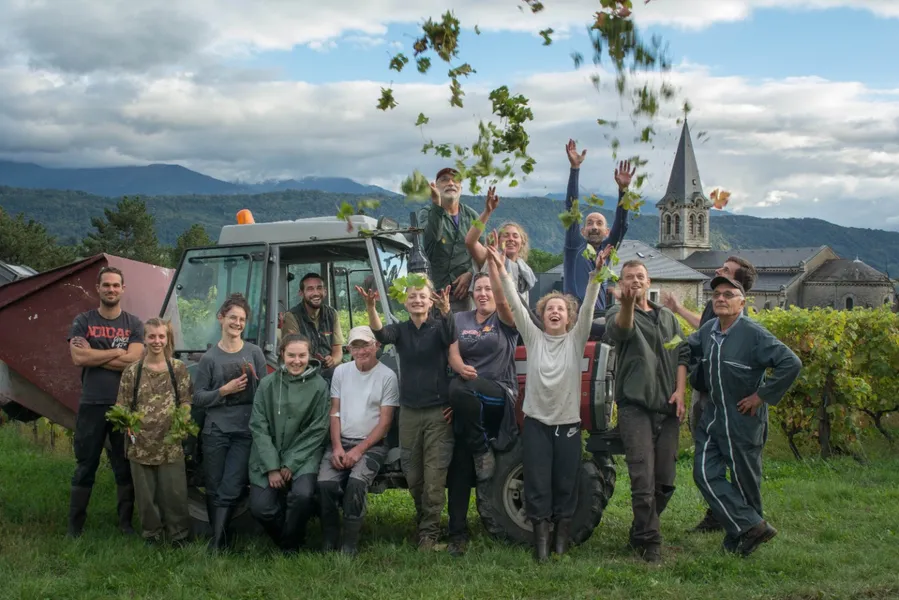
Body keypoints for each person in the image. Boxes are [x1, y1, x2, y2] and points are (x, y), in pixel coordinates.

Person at [487, 243, 606, 562]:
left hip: (567, 425)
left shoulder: (576, 340)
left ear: (569, 318)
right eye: (549, 308)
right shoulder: (534, 337)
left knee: (566, 482)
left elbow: (591, 309)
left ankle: (561, 539)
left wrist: (595, 276)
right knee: (538, 482)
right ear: (542, 315)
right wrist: (500, 269)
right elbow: (514, 303)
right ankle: (541, 543)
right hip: (537, 424)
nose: (555, 311)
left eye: (561, 309)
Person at [688, 275, 801, 556]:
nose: (720, 299)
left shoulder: (754, 334)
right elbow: (686, 348)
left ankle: (740, 536)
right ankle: (753, 526)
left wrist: (761, 396)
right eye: (716, 294)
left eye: (728, 294)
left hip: (743, 420)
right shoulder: (708, 330)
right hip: (713, 417)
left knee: (744, 482)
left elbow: (791, 363)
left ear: (742, 302)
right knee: (704, 473)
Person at [357, 278, 456, 551]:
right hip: (410, 412)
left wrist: (446, 310)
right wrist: (370, 307)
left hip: (438, 412)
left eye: (422, 296)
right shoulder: (401, 330)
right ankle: (423, 522)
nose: (417, 300)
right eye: (412, 296)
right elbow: (381, 335)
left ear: (431, 300)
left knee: (435, 477)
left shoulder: (438, 327)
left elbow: (451, 337)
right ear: (405, 301)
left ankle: (429, 535)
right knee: (413, 475)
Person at [662, 255, 757, 532]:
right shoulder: (715, 308)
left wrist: (759, 396)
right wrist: (679, 309)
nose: (718, 270)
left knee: (719, 458)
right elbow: (702, 331)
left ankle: (739, 519)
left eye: (726, 271)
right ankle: (726, 515)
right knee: (711, 457)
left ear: (738, 290)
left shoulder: (742, 325)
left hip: (720, 398)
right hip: (704, 391)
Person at [604, 260, 689, 563]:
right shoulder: (617, 312)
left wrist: (680, 390)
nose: (636, 280)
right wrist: (626, 305)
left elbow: (681, 353)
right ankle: (649, 542)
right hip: (634, 407)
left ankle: (640, 529)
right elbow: (621, 333)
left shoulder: (667, 317)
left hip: (667, 408)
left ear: (649, 280)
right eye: (629, 277)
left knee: (664, 480)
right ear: (622, 283)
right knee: (642, 478)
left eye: (640, 276)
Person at [445, 271, 520, 556]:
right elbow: (452, 353)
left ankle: (480, 448)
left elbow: (503, 302)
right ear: (471, 293)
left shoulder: (505, 320)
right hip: (468, 403)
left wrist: (493, 265)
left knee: (460, 389)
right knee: (459, 465)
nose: (483, 293)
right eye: (479, 289)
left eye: (489, 289)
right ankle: (457, 533)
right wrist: (460, 368)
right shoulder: (459, 319)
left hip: (498, 393)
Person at [67, 266, 145, 538]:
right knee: (85, 464)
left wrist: (96, 353)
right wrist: (115, 352)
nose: (111, 289)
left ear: (123, 289)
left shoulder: (133, 324)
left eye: (116, 285)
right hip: (91, 404)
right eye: (106, 285)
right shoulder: (83, 321)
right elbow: (79, 357)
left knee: (124, 465)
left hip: (123, 406)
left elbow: (134, 359)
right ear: (97, 288)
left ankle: (125, 525)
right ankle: (74, 527)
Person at [192, 293, 267, 551]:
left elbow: (263, 393)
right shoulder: (209, 358)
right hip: (215, 431)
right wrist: (223, 391)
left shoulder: (254, 353)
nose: (237, 323)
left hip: (244, 431)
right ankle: (220, 539)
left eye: (242, 319)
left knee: (232, 483)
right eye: (233, 317)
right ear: (221, 318)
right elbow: (199, 397)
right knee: (213, 485)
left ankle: (216, 542)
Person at [318, 326, 399, 556]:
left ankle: (350, 542)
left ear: (376, 346)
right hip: (341, 440)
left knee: (356, 483)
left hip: (372, 445)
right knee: (325, 483)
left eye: (366, 345)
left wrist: (358, 451)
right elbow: (334, 412)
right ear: (348, 349)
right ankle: (329, 537)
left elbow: (385, 423)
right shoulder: (341, 372)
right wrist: (337, 447)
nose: (361, 350)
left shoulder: (387, 376)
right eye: (355, 345)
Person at [248, 333, 330, 554]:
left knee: (302, 495)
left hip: (304, 455)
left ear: (309, 356)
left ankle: (289, 546)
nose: (297, 361)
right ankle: (290, 539)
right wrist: (273, 467)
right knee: (260, 508)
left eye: (302, 355)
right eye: (291, 355)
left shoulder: (320, 386)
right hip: (268, 454)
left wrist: (291, 463)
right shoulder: (267, 384)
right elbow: (258, 425)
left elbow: (318, 429)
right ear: (282, 355)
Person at [115, 318, 192, 546]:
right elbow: (122, 406)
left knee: (174, 493)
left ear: (167, 339)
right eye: (152, 336)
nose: (157, 341)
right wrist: (129, 426)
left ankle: (178, 536)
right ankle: (152, 535)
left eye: (161, 336)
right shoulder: (132, 372)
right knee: (146, 496)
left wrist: (181, 422)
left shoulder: (177, 368)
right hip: (141, 444)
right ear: (145, 339)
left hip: (170, 442)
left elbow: (186, 401)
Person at [562, 140, 636, 338]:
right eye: (589, 223)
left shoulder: (608, 250)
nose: (594, 226)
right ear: (582, 229)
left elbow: (621, 224)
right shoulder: (574, 246)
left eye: (599, 223)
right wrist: (575, 169)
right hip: (572, 317)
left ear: (606, 231)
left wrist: (624, 191)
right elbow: (571, 209)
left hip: (599, 317)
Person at [419, 167, 484, 313]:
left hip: (461, 296)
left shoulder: (473, 216)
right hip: (432, 295)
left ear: (461, 186)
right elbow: (430, 239)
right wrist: (437, 206)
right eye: (444, 180)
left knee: (458, 333)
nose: (450, 183)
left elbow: (484, 253)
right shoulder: (426, 213)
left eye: (455, 180)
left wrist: (470, 273)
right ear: (435, 186)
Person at [464, 187, 537, 307]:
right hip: (489, 321)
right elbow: (470, 241)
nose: (511, 239)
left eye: (515, 236)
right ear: (497, 239)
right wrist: (487, 212)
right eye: (506, 236)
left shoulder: (525, 271)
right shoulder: (489, 258)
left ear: (522, 243)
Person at [281, 273, 344, 378]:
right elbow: (295, 351)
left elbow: (338, 350)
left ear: (325, 291)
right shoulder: (292, 316)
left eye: (319, 288)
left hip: (329, 370)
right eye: (310, 289)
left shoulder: (332, 314)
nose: (316, 293)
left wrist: (332, 360)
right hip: (305, 370)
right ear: (301, 293)